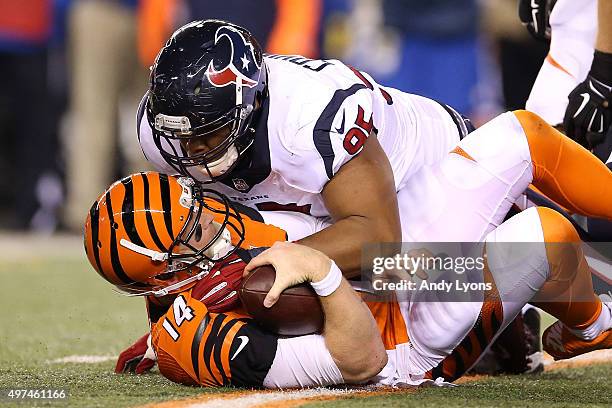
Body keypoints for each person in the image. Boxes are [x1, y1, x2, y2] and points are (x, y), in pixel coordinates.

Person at [89, 106, 612, 386]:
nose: (211, 215)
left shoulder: (217, 221)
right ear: (168, 273)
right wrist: (319, 271)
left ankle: (532, 324)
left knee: (523, 135)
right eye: (195, 230)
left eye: (197, 204)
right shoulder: (199, 339)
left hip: (389, 273)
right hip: (402, 341)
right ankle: (591, 328)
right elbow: (359, 362)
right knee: (546, 235)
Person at [137, 19, 477, 275]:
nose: (192, 150)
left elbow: (379, 241)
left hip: (431, 183)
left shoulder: (309, 118)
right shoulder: (162, 132)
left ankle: (499, 317)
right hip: (320, 207)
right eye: (183, 137)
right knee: (215, 246)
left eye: (208, 134)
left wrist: (247, 269)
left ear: (250, 106)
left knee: (270, 281)